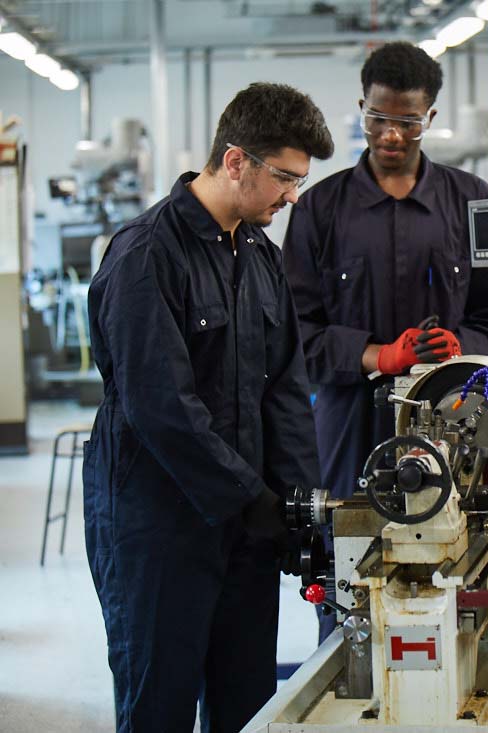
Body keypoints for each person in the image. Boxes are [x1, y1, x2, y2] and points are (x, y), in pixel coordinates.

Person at [83, 82, 334, 733]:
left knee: (246, 701)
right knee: (158, 703)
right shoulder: (144, 256)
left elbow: (283, 388)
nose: (292, 196)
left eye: (300, 180)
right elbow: (161, 406)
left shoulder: (259, 257)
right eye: (283, 177)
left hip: (243, 526)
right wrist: (251, 500)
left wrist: (298, 502)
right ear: (233, 161)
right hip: (158, 526)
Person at [282, 41, 488, 639]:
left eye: (408, 123)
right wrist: (374, 354)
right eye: (378, 119)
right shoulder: (318, 208)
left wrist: (457, 352)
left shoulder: (475, 201)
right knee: (347, 574)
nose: (391, 136)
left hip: (454, 419)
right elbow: (292, 332)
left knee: (455, 564)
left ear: (431, 119)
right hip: (347, 424)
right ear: (361, 108)